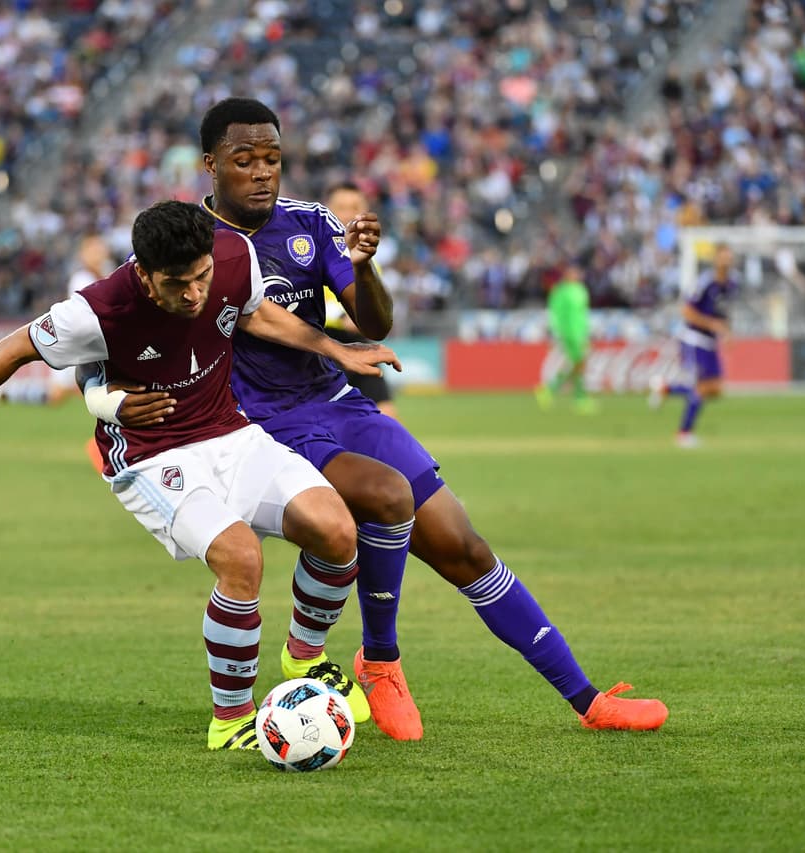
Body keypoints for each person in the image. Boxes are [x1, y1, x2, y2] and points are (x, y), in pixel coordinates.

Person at [88, 99, 668, 740]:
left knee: (464, 547)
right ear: (211, 166)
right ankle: (381, 661)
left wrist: (363, 267)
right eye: (244, 160)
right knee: (385, 497)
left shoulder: (310, 225)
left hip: (338, 402)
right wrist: (110, 408)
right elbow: (113, 333)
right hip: (257, 426)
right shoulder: (185, 247)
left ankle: (587, 700)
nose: (261, 172)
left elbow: (375, 322)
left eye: (272, 159)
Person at [0, 201, 402, 751]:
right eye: (178, 284)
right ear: (145, 274)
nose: (195, 293)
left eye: (202, 277)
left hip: (230, 432)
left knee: (337, 530)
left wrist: (336, 348)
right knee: (241, 559)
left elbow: (255, 313)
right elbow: (15, 349)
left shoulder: (233, 253)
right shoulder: (98, 310)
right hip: (153, 457)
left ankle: (304, 656)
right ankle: (232, 718)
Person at [323, 181, 400, 420]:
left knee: (387, 417)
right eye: (341, 207)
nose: (347, 214)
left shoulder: (368, 257)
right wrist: (340, 317)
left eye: (354, 207)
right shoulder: (310, 249)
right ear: (327, 209)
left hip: (358, 344)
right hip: (321, 347)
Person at [650, 245, 737, 448]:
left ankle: (666, 388)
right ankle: (684, 433)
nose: (726, 262)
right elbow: (687, 311)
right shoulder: (705, 282)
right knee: (701, 387)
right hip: (694, 338)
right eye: (722, 258)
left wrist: (726, 333)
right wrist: (711, 324)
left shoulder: (732, 285)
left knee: (715, 389)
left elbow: (723, 314)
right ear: (715, 260)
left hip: (710, 341)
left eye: (729, 258)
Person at [534, 263, 598, 414]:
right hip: (569, 333)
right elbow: (555, 313)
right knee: (579, 364)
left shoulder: (581, 290)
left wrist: (587, 331)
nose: (576, 276)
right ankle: (578, 397)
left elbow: (583, 314)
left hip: (581, 332)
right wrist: (556, 332)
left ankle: (550, 391)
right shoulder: (561, 292)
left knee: (577, 364)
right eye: (573, 273)